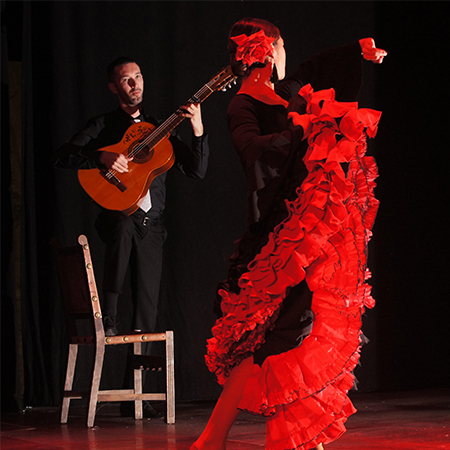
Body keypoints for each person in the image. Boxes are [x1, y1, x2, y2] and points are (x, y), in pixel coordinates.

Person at [191, 18, 386, 450]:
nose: (284, 58)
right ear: (264, 50)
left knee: (293, 334)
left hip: (308, 232)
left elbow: (314, 67)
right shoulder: (242, 103)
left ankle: (242, 438)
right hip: (281, 235)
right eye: (280, 48)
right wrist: (302, 129)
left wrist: (358, 49)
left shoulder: (284, 91)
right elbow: (253, 153)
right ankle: (243, 438)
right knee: (282, 335)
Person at [55, 56, 209, 417]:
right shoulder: (104, 124)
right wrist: (101, 157)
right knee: (123, 225)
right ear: (114, 87)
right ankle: (107, 312)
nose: (134, 84)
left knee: (146, 312)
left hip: (151, 226)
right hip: (117, 221)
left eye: (138, 77)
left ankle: (134, 397)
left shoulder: (161, 126)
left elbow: (197, 171)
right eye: (126, 80)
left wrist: (199, 128)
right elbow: (63, 156)